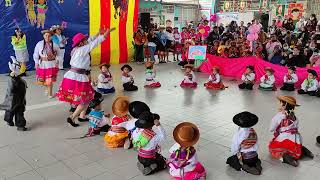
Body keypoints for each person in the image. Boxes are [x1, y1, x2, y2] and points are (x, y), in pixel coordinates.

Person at [56, 28, 111, 127]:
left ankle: (81, 116)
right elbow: (92, 44)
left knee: (87, 98)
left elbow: (89, 41)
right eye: (84, 40)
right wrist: (104, 36)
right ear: (81, 43)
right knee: (85, 100)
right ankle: (73, 117)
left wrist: (98, 33)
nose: (87, 40)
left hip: (72, 76)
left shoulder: (76, 49)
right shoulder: (82, 50)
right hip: (78, 77)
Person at [269, 96, 314, 167]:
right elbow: (296, 127)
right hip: (296, 139)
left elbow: (271, 129)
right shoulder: (294, 117)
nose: (279, 104)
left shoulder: (278, 116)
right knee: (296, 148)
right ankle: (304, 151)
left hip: (284, 139)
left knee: (273, 149)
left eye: (280, 103)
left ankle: (285, 157)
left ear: (284, 105)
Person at [133, 111, 167, 176]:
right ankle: (151, 167)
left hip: (140, 156)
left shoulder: (136, 131)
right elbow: (163, 136)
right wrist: (159, 125)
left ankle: (142, 163)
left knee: (154, 154)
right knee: (163, 163)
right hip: (149, 158)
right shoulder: (153, 136)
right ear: (152, 124)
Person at [0, 57, 28, 131]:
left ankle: (20, 125)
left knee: (20, 113)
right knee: (10, 111)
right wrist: (15, 80)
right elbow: (11, 90)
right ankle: (9, 120)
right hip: (13, 100)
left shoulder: (19, 79)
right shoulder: (12, 80)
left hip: (20, 100)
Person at [33, 29, 60, 99]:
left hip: (51, 65)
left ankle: (50, 94)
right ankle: (47, 88)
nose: (47, 37)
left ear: (51, 36)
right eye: (46, 35)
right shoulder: (39, 44)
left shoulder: (55, 45)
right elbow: (36, 54)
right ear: (43, 36)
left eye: (49, 36)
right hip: (43, 65)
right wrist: (36, 63)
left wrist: (57, 60)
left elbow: (59, 54)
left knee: (50, 80)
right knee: (43, 80)